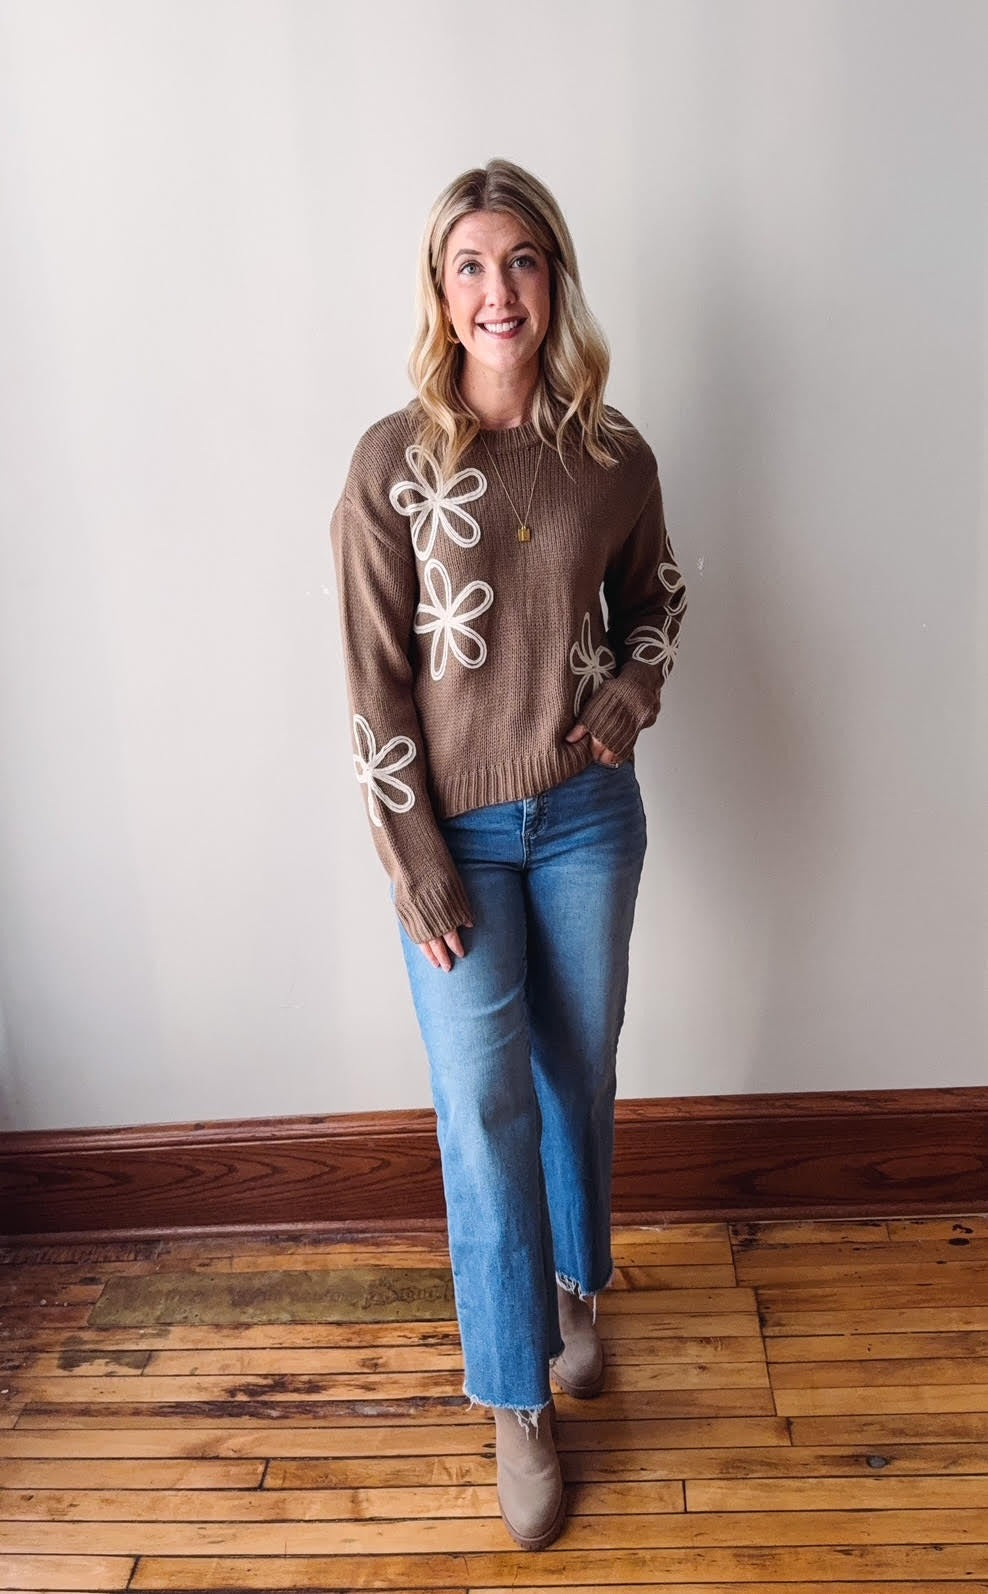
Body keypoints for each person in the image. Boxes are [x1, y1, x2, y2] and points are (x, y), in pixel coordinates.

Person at [329, 157, 686, 1551]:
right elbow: (373, 685)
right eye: (472, 265)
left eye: (524, 262)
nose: (500, 292)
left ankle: (574, 1280)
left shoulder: (615, 455)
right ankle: (513, 1391)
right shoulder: (389, 466)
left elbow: (657, 597)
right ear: (440, 288)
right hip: (455, 839)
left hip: (588, 817)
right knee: (482, 1104)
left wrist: (632, 693)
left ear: (557, 279)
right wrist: (417, 867)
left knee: (574, 1062)